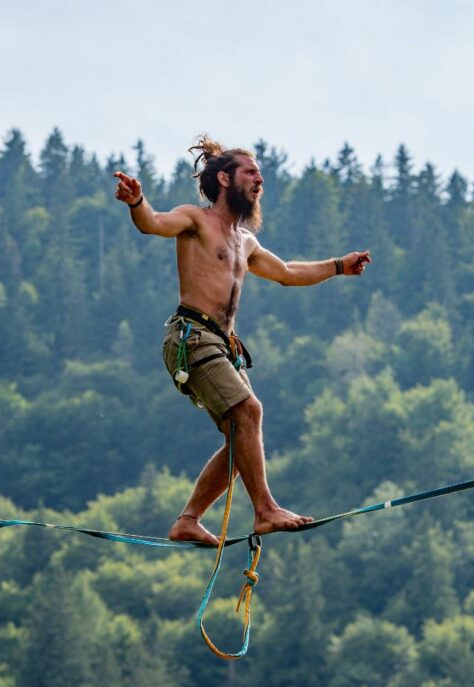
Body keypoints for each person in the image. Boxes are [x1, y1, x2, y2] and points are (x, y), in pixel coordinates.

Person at [114, 136, 371, 546]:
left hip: (220, 346)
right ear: (224, 178)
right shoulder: (195, 221)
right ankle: (265, 510)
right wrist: (136, 202)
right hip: (192, 338)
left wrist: (339, 266)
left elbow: (287, 272)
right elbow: (154, 223)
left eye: (259, 173)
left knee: (241, 441)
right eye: (250, 172)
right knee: (249, 412)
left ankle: (188, 520)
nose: (260, 179)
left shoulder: (244, 241)